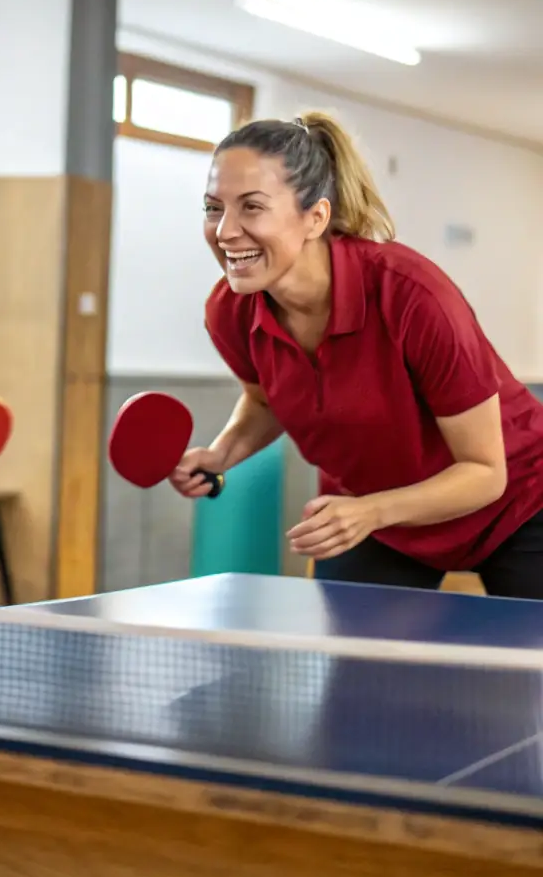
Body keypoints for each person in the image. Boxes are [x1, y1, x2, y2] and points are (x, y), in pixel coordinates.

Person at [172, 110, 543, 600]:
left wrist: (372, 511)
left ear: (316, 217)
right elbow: (265, 402)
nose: (224, 231)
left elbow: (484, 472)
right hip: (377, 518)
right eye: (213, 207)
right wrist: (220, 454)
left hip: (518, 505)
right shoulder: (231, 311)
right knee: (355, 671)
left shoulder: (412, 296)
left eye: (252, 207)